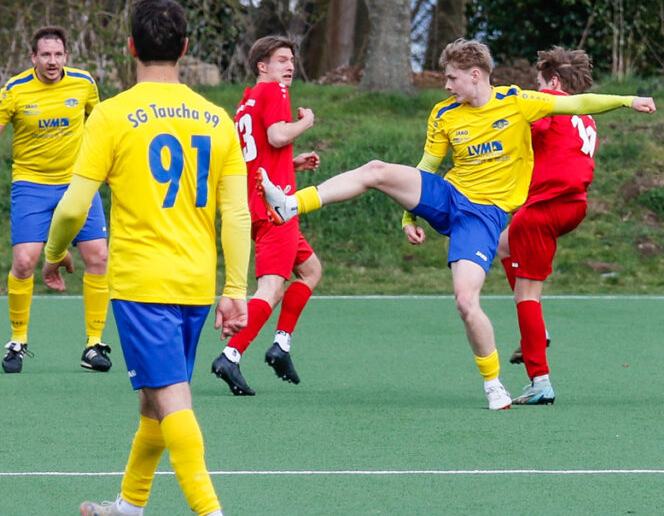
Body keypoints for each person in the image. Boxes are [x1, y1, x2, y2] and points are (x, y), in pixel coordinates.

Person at [256, 38, 655, 410]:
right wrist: (409, 213)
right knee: (376, 170)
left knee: (466, 302)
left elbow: (579, 101)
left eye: (451, 77)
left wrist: (629, 100)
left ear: (475, 75)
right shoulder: (444, 114)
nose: (446, 85)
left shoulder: (518, 102)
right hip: (448, 196)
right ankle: (291, 205)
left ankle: (494, 384)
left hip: (482, 217)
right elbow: (428, 166)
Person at [42, 0, 249, 516]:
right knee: (154, 400)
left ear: (131, 47)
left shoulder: (111, 115)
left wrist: (54, 253)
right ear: (186, 48)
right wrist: (235, 289)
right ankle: (129, 512)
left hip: (141, 285)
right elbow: (236, 214)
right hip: (195, 284)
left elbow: (72, 206)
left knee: (171, 397)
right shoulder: (217, 119)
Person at [0, 27, 111, 374]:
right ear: (33, 57)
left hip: (78, 182)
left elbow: (103, 128)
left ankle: (93, 344)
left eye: (58, 54)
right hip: (31, 185)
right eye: (45, 55)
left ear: (66, 56)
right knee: (23, 262)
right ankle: (18, 341)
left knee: (99, 256)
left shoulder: (84, 84)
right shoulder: (14, 91)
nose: (52, 61)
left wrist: (109, 168)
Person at [210, 35, 321, 396]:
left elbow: (258, 152)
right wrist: (306, 122)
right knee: (271, 288)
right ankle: (231, 354)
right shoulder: (274, 91)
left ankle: (281, 345)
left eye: (292, 60)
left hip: (256, 202)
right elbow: (276, 136)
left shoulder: (246, 101)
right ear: (263, 66)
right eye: (282, 60)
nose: (290, 66)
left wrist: (292, 162)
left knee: (311, 270)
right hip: (276, 209)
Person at [498, 47, 597, 405]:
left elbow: (518, 127)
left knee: (527, 295)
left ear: (553, 83)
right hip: (574, 205)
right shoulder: (586, 115)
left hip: (544, 207)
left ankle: (540, 382)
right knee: (503, 243)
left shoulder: (549, 105)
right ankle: (537, 329)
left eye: (539, 84)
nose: (536, 90)